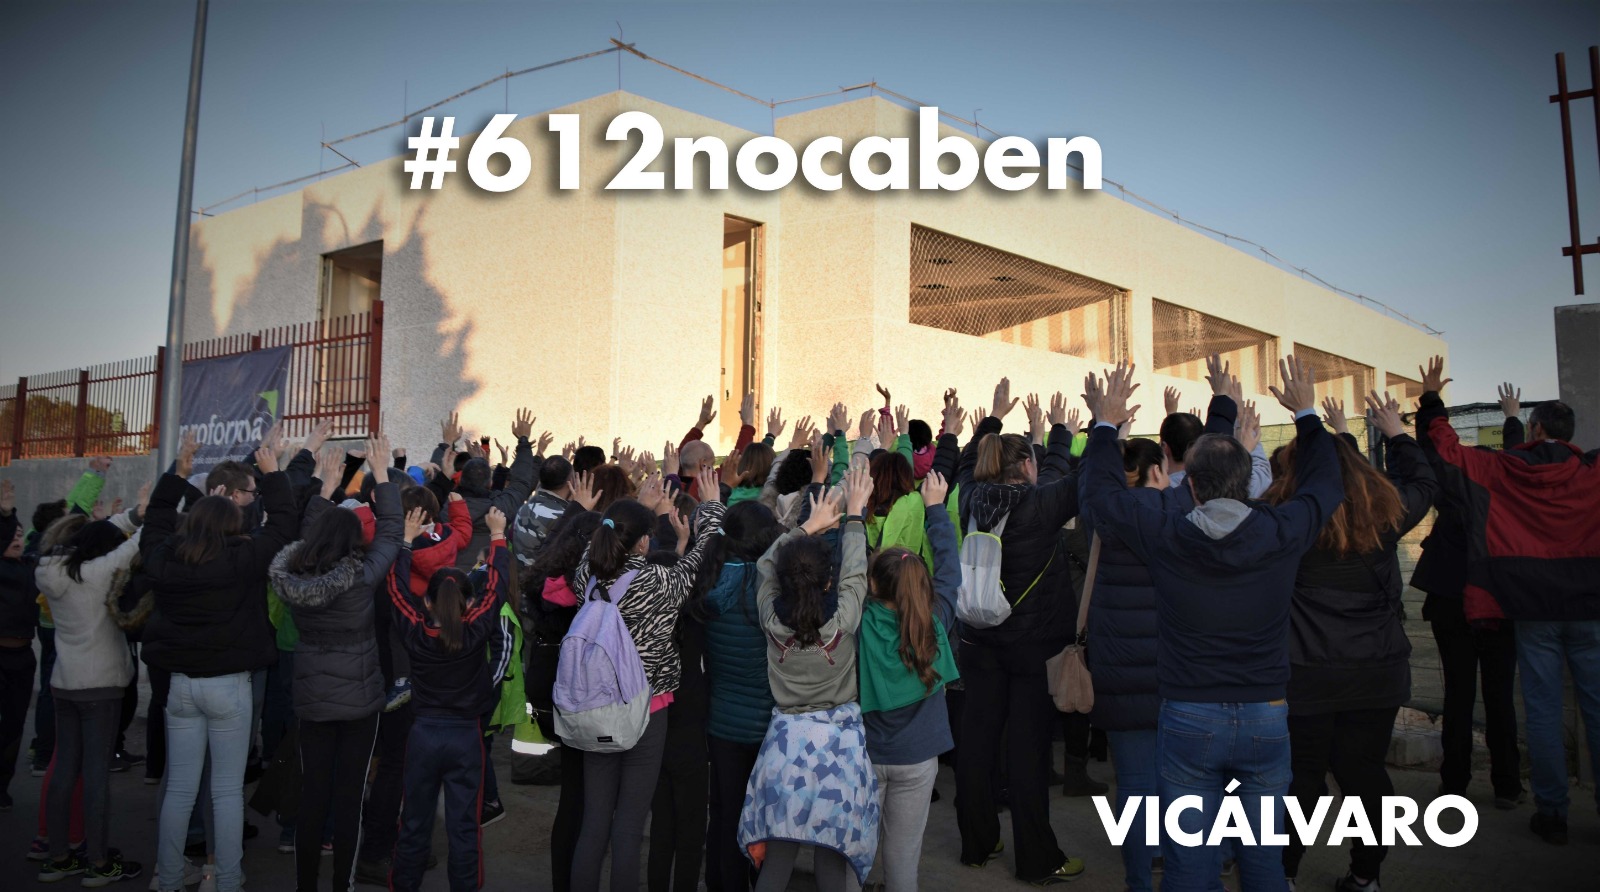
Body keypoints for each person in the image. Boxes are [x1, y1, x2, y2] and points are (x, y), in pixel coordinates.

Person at [1079, 358, 1343, 892]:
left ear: (1191, 488)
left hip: (1189, 715)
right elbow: (1325, 486)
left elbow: (1102, 499)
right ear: (1247, 483)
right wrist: (1307, 416)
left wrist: (1105, 425)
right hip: (1266, 713)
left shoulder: (1166, 530)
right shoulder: (1280, 530)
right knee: (1263, 862)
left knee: (1189, 863)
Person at [1414, 356, 1600, 846]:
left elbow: (1446, 450)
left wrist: (1432, 400)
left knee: (1540, 712)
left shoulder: (1503, 472)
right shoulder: (1591, 470)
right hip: (1590, 605)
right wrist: (1513, 418)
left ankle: (1552, 813)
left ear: (1536, 430)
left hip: (1531, 606)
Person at [1267, 392, 1436, 892]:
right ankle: (1366, 876)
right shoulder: (1388, 514)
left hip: (1306, 670)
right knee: (1364, 774)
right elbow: (1425, 482)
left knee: (1301, 777)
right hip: (1376, 668)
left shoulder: (1286, 516)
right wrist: (1398, 434)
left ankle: (1284, 873)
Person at [142, 437, 297, 892]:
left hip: (181, 686)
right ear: (232, 523)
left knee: (180, 787)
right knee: (226, 790)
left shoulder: (163, 557)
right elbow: (284, 526)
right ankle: (226, 879)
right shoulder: (242, 558)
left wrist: (177, 475)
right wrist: (273, 475)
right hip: (228, 686)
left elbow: (155, 521)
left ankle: (170, 876)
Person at [953, 378, 1087, 885]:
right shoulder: (1038, 505)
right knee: (1028, 754)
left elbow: (967, 462)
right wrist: (1068, 430)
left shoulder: (970, 497)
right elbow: (1076, 477)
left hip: (978, 641)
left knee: (977, 743)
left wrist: (991, 417)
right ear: (1027, 466)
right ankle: (1037, 859)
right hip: (1033, 649)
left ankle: (977, 844)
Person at [569, 468, 726, 892]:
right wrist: (712, 506)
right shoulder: (657, 582)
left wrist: (635, 508)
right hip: (647, 712)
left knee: (594, 822)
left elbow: (597, 542)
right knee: (629, 824)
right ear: (643, 543)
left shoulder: (586, 578)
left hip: (594, 709)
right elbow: (701, 555)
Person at [269, 436, 405, 891]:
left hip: (312, 702)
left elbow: (307, 535)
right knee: (349, 801)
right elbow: (392, 532)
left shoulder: (295, 577)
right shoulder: (362, 579)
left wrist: (326, 488)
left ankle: (305, 885)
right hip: (359, 705)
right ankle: (341, 884)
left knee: (313, 796)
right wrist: (381, 474)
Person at [738, 468, 879, 892]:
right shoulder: (843, 621)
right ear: (828, 581)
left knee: (777, 861)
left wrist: (807, 526)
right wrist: (854, 515)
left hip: (784, 749)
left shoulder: (770, 619)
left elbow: (765, 565)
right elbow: (856, 571)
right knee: (832, 862)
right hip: (840, 750)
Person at [1410, 382, 1526, 809]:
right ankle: (1507, 785)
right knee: (1499, 695)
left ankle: (1454, 783)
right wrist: (1511, 418)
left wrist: (1431, 402)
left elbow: (1432, 453)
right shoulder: (1505, 497)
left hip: (1450, 599)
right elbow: (1516, 460)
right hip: (1498, 601)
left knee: (1457, 695)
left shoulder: (1451, 491)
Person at [386, 505, 512, 892]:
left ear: (427, 602)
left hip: (423, 735)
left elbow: (396, 589)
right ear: (469, 604)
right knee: (464, 827)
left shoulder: (416, 630)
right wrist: (497, 536)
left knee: (413, 824)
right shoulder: (475, 628)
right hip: (466, 738)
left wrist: (405, 543)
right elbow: (497, 587)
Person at [33, 484, 151, 885]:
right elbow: (133, 545)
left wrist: (132, 513)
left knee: (65, 768)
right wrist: (153, 509)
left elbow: (106, 533)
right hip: (101, 686)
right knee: (97, 774)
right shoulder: (99, 574)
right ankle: (99, 863)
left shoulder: (49, 572)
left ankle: (58, 856)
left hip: (64, 683)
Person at [858, 471, 961, 892]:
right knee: (903, 861)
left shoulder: (855, 622)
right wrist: (936, 510)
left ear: (869, 584)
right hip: (917, 759)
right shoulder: (934, 621)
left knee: (853, 855)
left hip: (863, 753)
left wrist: (853, 515)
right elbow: (950, 572)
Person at [1081, 437, 1168, 892]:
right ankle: (1178, 865)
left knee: (1133, 784)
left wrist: (1104, 433)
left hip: (1115, 668)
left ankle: (1138, 878)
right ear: (1157, 471)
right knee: (1183, 781)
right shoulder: (1174, 515)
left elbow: (1091, 484)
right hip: (1172, 671)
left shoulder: (1100, 514)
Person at [701, 500, 788, 892]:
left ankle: (720, 882)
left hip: (721, 721)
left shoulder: (710, 575)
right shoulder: (766, 586)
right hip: (763, 724)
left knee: (723, 811)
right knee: (758, 818)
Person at [0, 479, 38, 812]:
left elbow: (57, 533)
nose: (17, 539)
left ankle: (2, 786)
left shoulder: (31, 567)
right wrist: (6, 513)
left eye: (20, 535)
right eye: (11, 534)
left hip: (22, 659)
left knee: (13, 728)